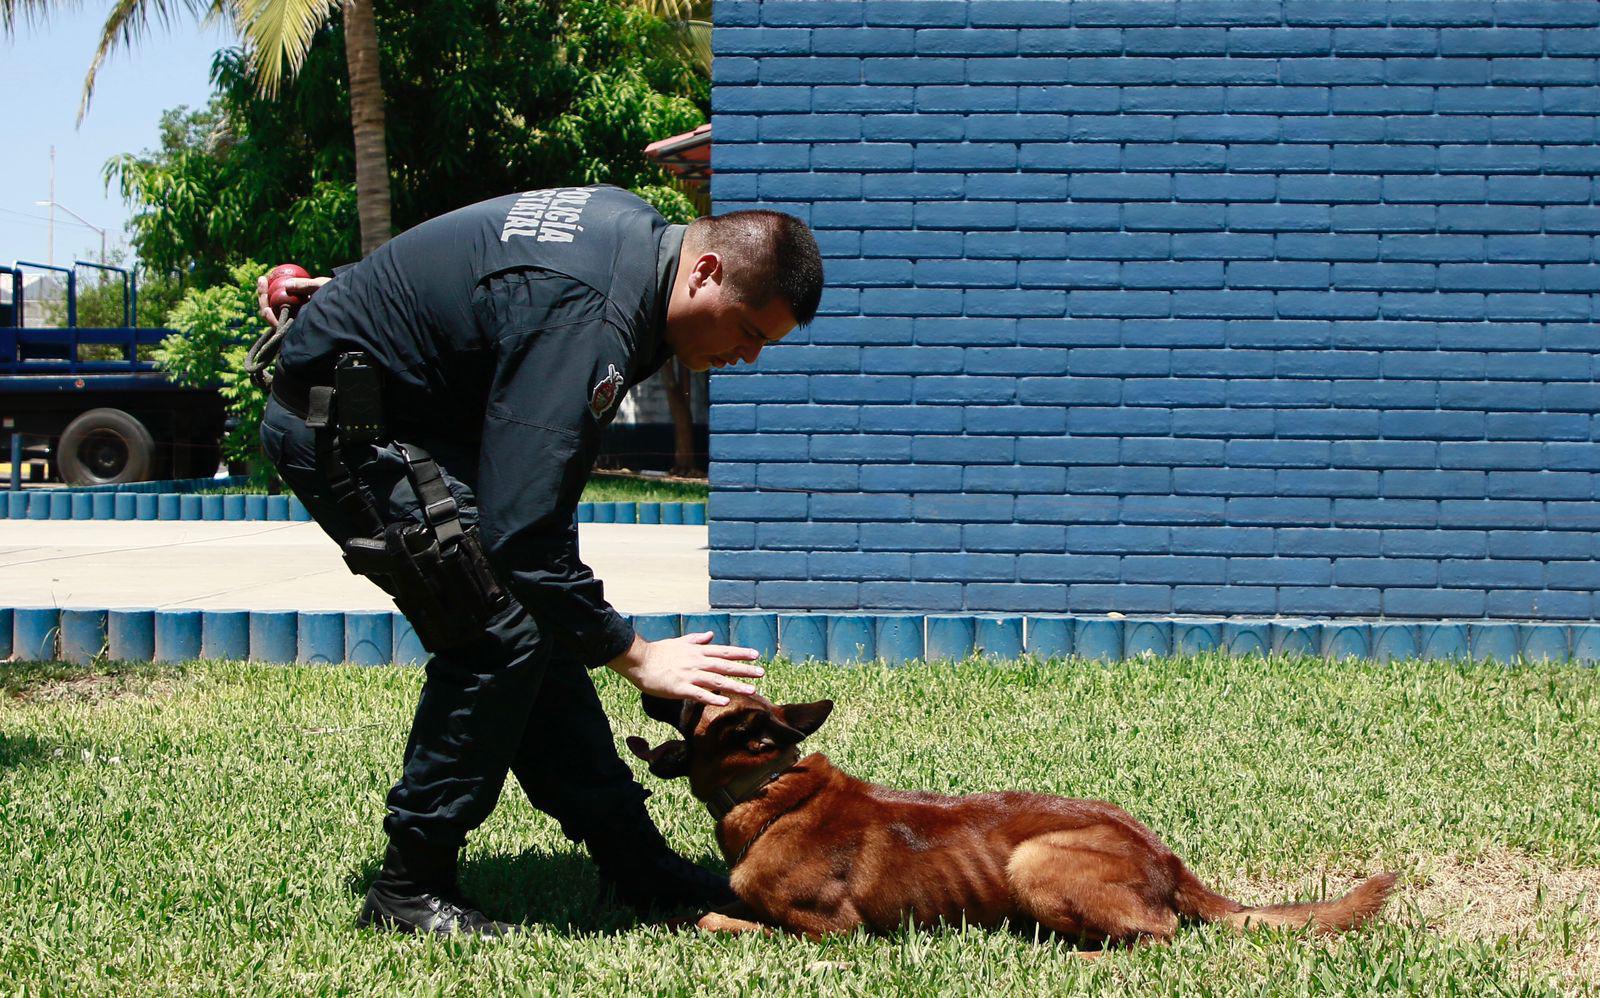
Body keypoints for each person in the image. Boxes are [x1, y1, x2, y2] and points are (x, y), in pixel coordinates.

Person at [253, 185, 824, 935]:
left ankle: (635, 864)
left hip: (415, 419)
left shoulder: (638, 246)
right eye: (748, 331)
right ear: (707, 271)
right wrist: (638, 655)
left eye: (762, 345)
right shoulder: (594, 311)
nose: (746, 356)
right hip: (348, 430)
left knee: (531, 621)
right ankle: (408, 887)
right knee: (498, 634)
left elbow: (481, 263)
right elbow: (522, 536)